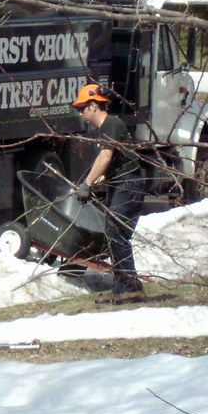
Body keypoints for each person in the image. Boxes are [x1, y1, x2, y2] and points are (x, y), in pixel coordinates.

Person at [71, 83, 146, 304]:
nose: (81, 113)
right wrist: (101, 178)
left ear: (93, 106)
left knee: (116, 233)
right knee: (116, 234)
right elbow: (114, 161)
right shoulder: (106, 128)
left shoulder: (112, 123)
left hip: (129, 184)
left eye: (82, 108)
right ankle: (127, 284)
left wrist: (87, 183)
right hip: (122, 183)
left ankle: (128, 285)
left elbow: (105, 156)